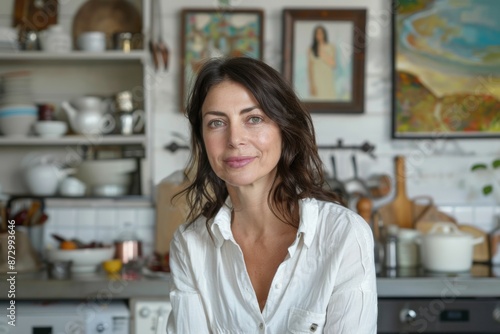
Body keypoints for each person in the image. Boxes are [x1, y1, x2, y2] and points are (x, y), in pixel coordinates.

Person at [167, 57, 377, 333]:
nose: (234, 139)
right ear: (203, 140)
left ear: (284, 129)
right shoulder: (190, 244)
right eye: (217, 123)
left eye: (254, 119)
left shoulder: (343, 235)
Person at [308, 25, 336, 99]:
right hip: (316, 80)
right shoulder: (311, 49)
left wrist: (323, 54)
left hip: (327, 79)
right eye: (317, 33)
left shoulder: (330, 47)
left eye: (321, 33)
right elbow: (310, 68)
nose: (319, 35)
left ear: (324, 34)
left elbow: (333, 64)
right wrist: (311, 85)